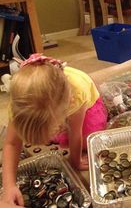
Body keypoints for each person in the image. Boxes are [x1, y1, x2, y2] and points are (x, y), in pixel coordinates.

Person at [2, 53, 107, 206]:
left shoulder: (76, 94)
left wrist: (75, 161)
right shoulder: (19, 103)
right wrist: (8, 186)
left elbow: (74, 133)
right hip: (58, 102)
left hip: (87, 105)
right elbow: (11, 143)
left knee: (88, 140)